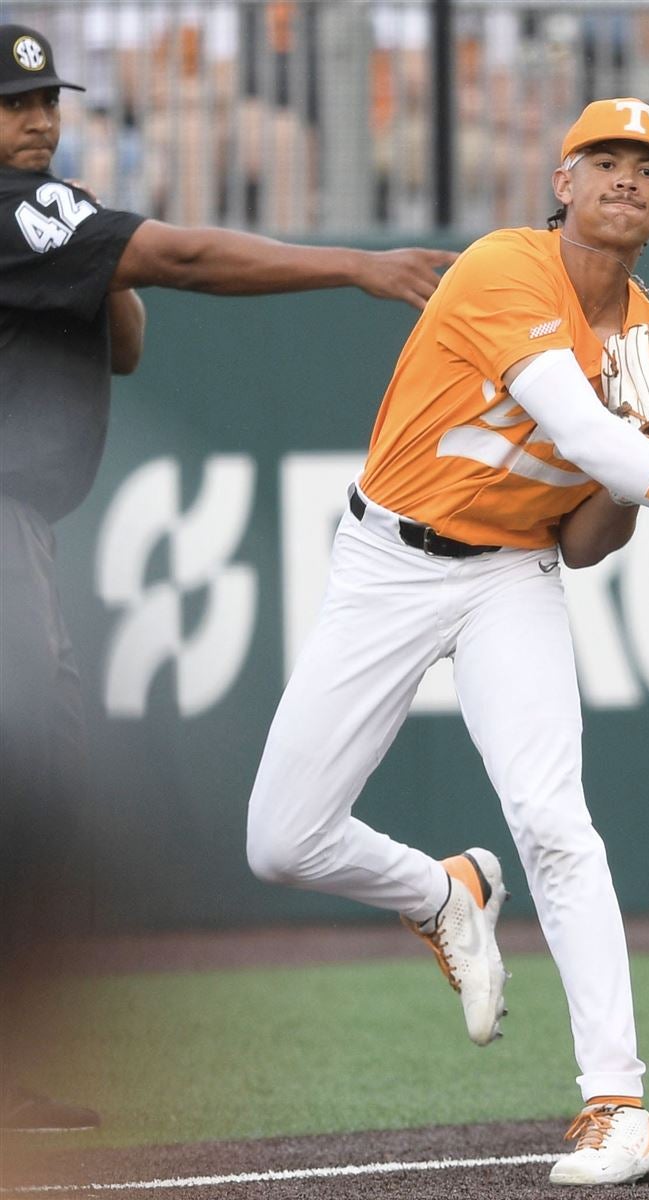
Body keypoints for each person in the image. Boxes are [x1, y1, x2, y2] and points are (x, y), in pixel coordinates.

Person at [246, 95, 649, 1187]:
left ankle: (620, 1106)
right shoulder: (503, 267)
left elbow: (589, 539)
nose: (625, 179)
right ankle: (441, 891)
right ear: (563, 183)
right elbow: (580, 426)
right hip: (387, 563)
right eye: (603, 160)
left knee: (553, 821)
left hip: (511, 577)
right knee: (282, 841)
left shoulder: (644, 339)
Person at [0, 22, 456, 1135]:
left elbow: (127, 343)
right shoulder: (14, 209)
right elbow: (184, 264)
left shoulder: (40, 223)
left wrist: (101, 257)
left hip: (26, 527)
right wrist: (358, 263)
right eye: (13, 107)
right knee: (30, 789)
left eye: (46, 100)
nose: (38, 120)